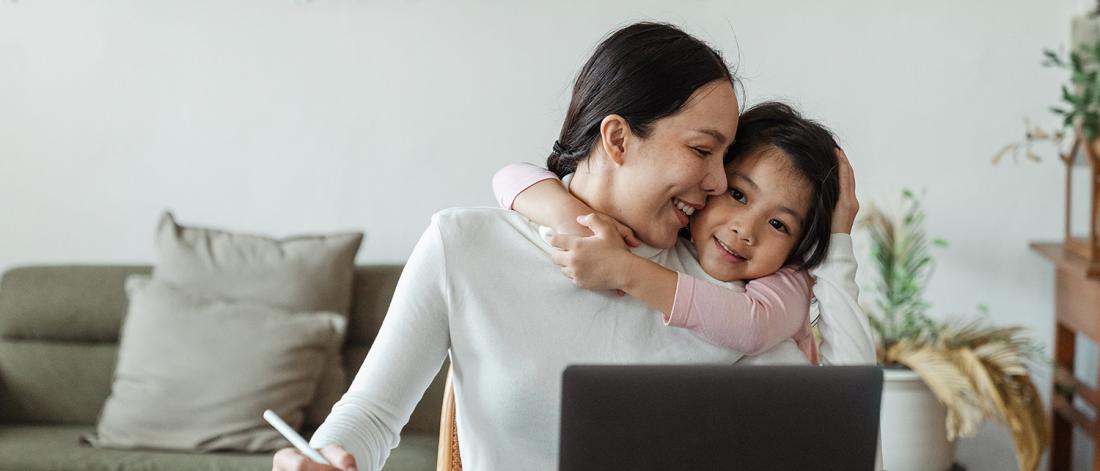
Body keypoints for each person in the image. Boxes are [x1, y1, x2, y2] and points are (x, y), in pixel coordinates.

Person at [272, 22, 875, 471]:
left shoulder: (728, 292)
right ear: (617, 138)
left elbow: (841, 437)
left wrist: (838, 243)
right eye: (701, 150)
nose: (718, 184)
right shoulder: (465, 247)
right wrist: (323, 457)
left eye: (725, 158)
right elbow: (372, 417)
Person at [491, 102, 849, 365]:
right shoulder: (672, 233)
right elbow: (510, 176)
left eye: (778, 224)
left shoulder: (789, 280)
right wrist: (573, 219)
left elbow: (752, 327)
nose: (745, 229)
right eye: (737, 195)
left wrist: (624, 271)